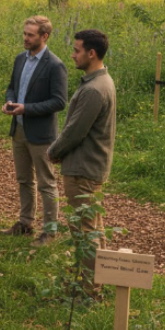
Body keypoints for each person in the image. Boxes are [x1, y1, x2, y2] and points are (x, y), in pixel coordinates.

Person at [47, 29, 116, 294]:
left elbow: (75, 130)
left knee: (84, 230)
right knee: (94, 227)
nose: (72, 54)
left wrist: (54, 151)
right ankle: (97, 280)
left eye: (76, 50)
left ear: (91, 53)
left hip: (83, 168)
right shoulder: (101, 82)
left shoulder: (95, 90)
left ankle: (89, 288)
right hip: (92, 166)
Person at [1, 16, 68, 246]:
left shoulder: (55, 65)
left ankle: (49, 232)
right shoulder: (20, 59)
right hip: (18, 130)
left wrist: (26, 109)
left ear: (44, 36)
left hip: (41, 135)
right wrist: (10, 102)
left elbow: (59, 102)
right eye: (25, 33)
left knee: (46, 183)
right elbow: (12, 87)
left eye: (30, 35)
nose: (25, 38)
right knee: (23, 179)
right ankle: (25, 223)